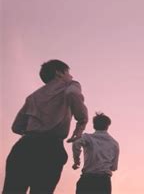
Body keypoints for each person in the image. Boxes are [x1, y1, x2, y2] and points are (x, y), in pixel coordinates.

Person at [2, 59, 88, 194]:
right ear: (59, 73)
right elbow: (73, 93)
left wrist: (35, 131)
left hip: (23, 147)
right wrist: (81, 123)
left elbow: (16, 127)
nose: (71, 76)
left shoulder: (32, 97)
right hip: (49, 148)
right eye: (68, 73)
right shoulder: (70, 85)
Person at [73, 112, 120, 194]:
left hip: (87, 179)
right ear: (107, 126)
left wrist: (77, 160)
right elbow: (114, 168)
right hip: (103, 182)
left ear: (94, 125)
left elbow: (76, 143)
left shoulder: (87, 137)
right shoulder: (114, 144)